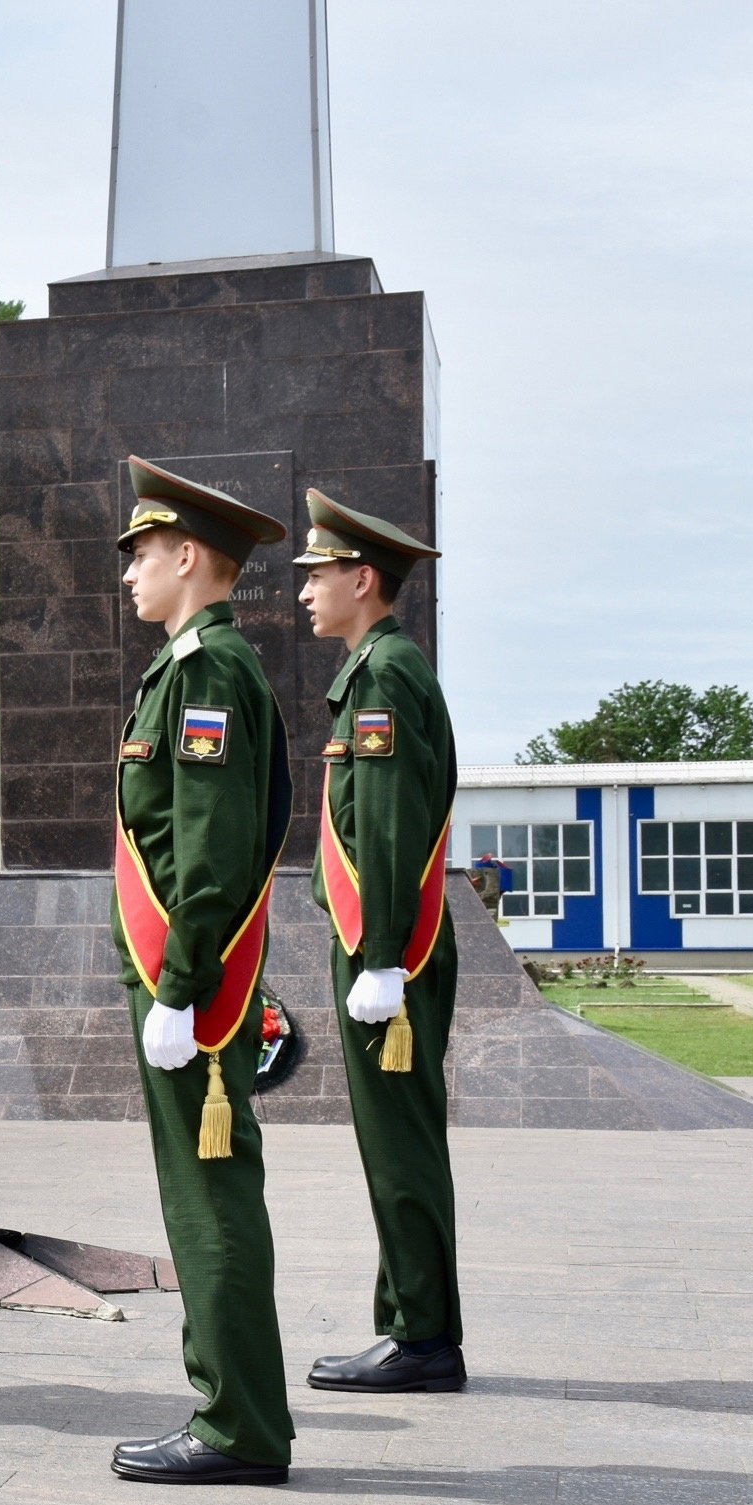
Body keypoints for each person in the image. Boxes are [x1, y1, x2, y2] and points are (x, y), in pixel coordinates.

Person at [106, 459, 295, 1485]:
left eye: (139, 554)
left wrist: (178, 985)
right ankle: (232, 1408)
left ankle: (238, 1426)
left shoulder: (207, 671)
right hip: (180, 973)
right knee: (201, 1194)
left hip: (190, 980)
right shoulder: (183, 666)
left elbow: (209, 848)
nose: (128, 572)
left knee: (208, 1197)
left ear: (188, 557)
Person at [295, 490, 466, 1394]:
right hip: (382, 946)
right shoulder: (376, 669)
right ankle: (412, 1324)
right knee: (393, 1139)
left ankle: (424, 1337)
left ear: (363, 579)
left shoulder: (385, 675)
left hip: (390, 949)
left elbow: (392, 825)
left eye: (319, 575)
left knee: (399, 1143)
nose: (305, 592)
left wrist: (385, 955)